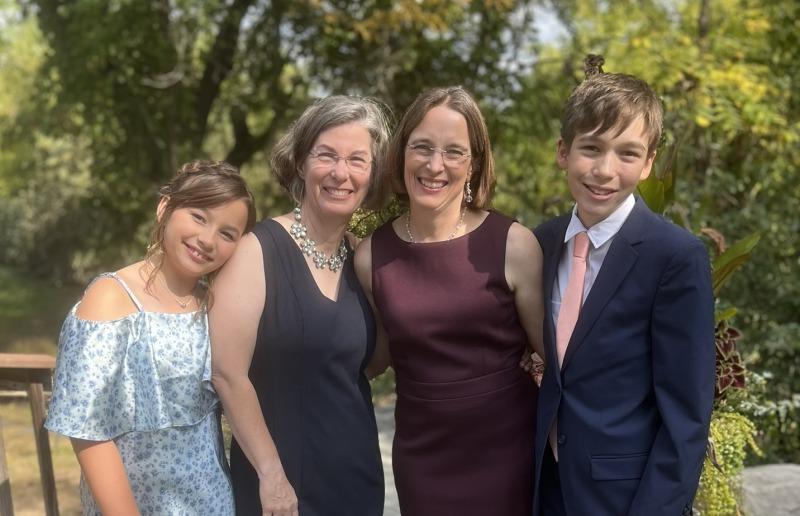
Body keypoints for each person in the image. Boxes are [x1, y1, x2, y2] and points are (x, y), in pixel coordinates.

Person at [531, 56, 716, 516]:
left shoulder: (675, 257)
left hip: (628, 498)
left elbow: (686, 418)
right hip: (547, 488)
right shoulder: (541, 243)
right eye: (591, 148)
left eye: (628, 153)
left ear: (649, 162)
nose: (605, 170)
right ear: (562, 152)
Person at [354, 86, 544, 516]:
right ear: (401, 153)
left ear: (473, 164)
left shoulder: (514, 245)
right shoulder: (371, 257)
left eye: (453, 152)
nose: (434, 165)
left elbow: (549, 355)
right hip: (423, 456)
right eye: (421, 147)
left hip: (508, 450)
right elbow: (377, 357)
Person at [209, 95, 391, 516]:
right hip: (278, 489)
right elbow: (227, 374)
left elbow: (373, 363)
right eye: (326, 155)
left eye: (357, 160)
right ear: (301, 163)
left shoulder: (362, 259)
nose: (341, 173)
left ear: (372, 173)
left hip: (355, 480)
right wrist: (272, 476)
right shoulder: (257, 251)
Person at [45, 160, 257, 515]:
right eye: (198, 217)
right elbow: (88, 430)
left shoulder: (214, 305)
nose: (207, 240)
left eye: (227, 233)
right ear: (165, 208)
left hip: (214, 503)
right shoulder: (111, 299)